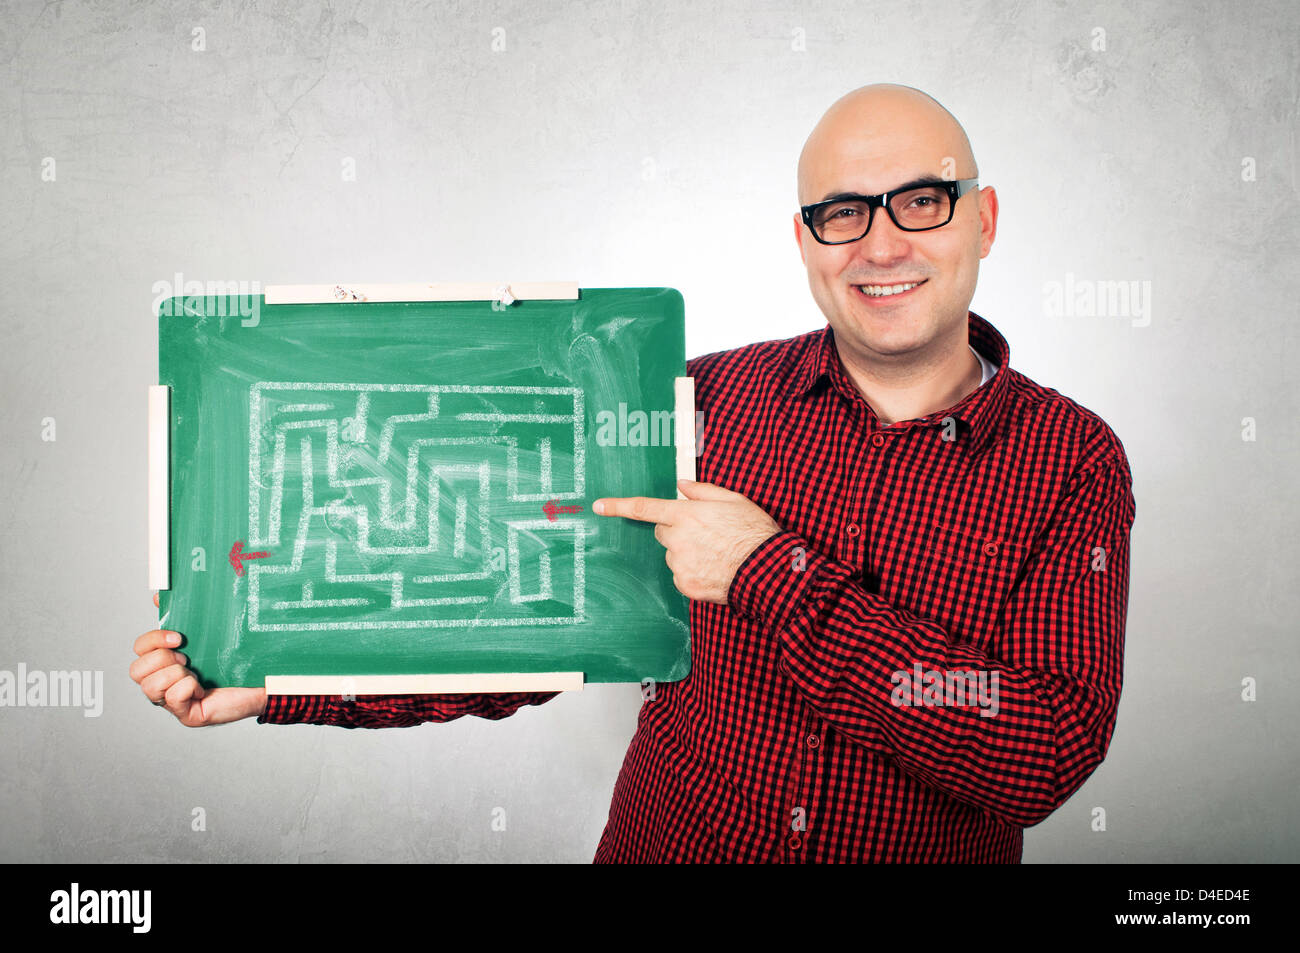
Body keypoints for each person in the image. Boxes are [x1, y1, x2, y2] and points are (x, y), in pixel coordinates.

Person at [132, 83, 1136, 862]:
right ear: (804, 240)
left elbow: (1039, 749)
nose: (880, 243)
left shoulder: (1072, 457)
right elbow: (518, 619)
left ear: (983, 219)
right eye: (840, 212)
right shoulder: (696, 403)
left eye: (920, 200)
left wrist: (768, 571)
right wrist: (272, 682)